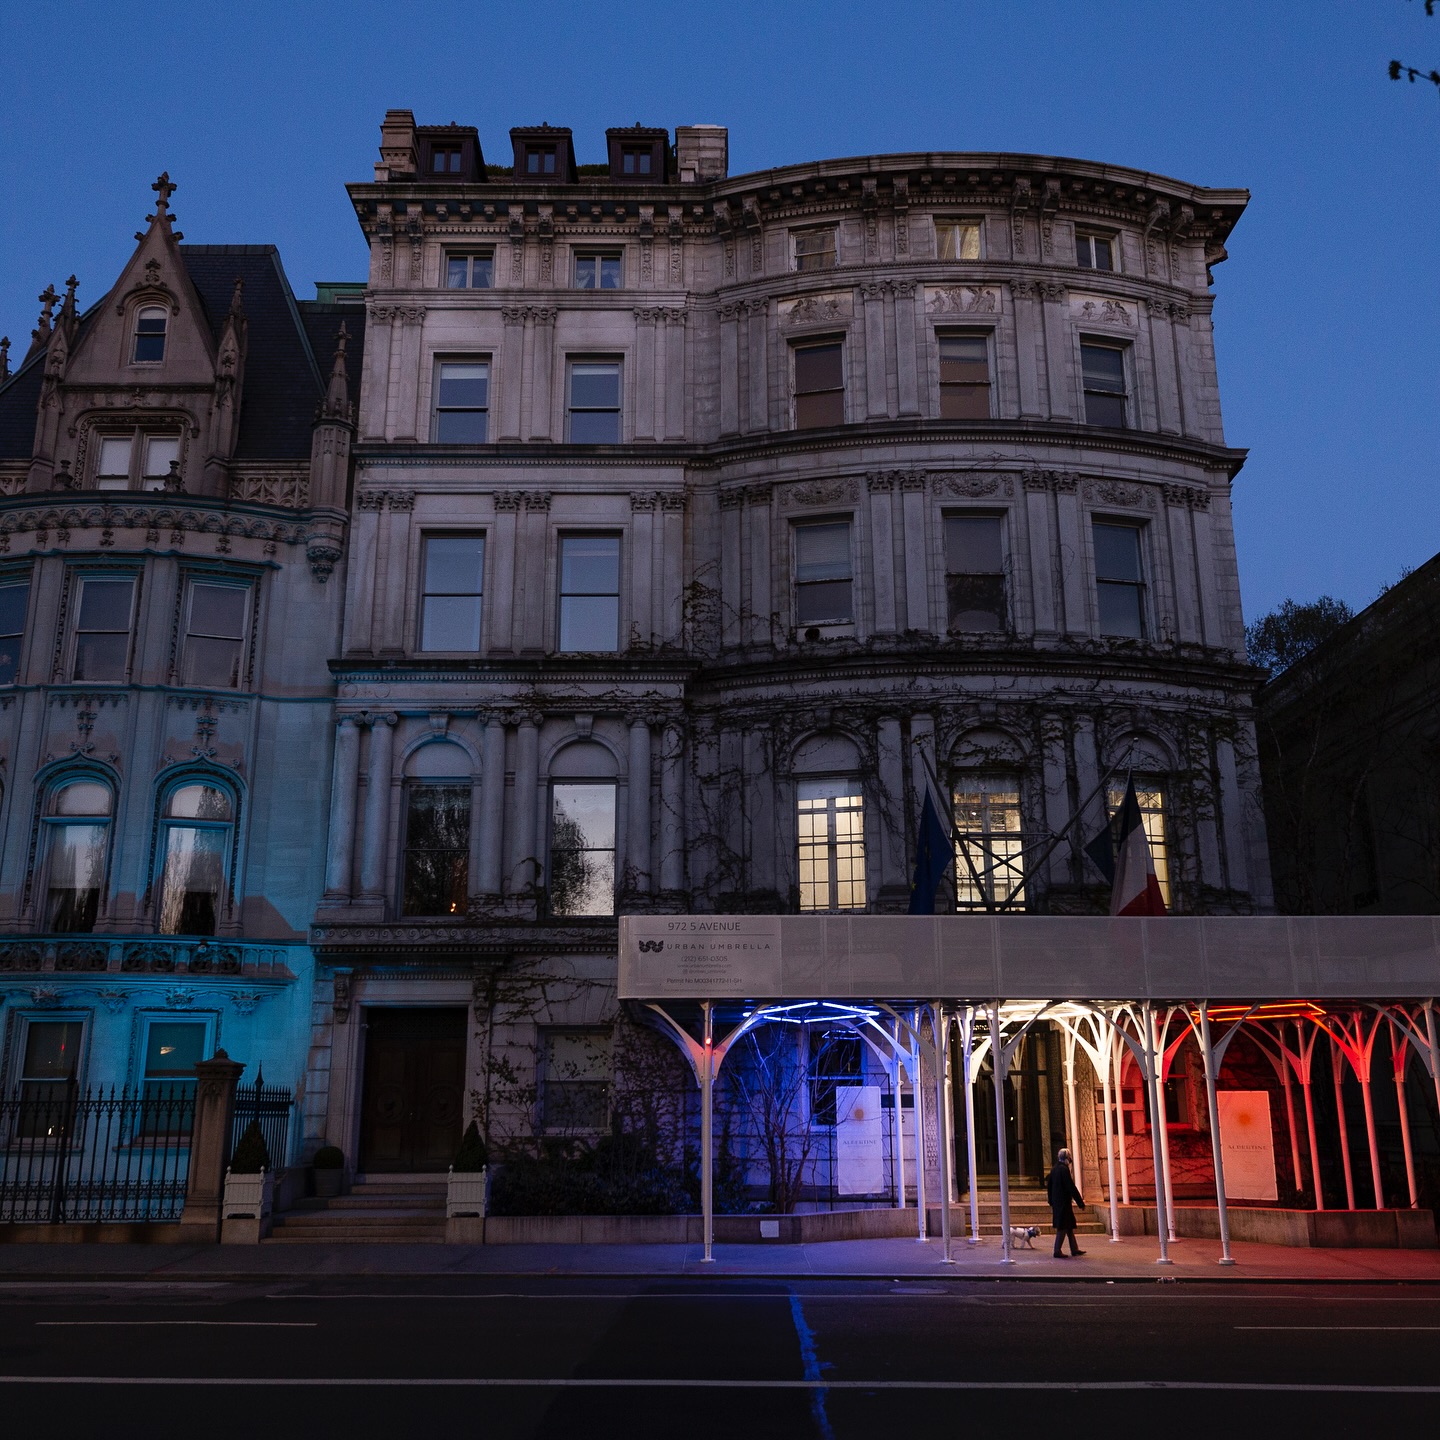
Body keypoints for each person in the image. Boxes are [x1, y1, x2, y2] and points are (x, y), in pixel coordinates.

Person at [1045, 1147, 1086, 1258]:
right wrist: (1080, 1202)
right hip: (1063, 1203)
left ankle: (1074, 1248)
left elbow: (1049, 1187)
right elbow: (1070, 1187)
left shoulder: (1054, 1169)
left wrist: (1051, 1200)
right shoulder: (1064, 1169)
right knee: (1063, 1226)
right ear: (1067, 1158)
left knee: (1068, 1226)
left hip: (1057, 1202)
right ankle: (1057, 1250)